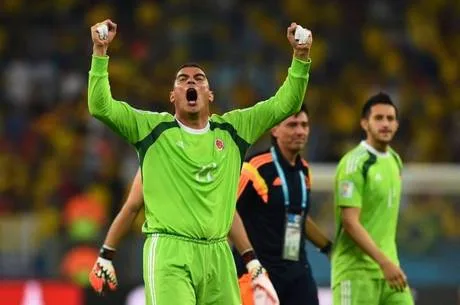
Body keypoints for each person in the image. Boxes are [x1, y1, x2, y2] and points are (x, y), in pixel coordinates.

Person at [87, 18, 313, 305]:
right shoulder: (151, 129)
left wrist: (301, 57)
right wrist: (100, 52)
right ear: (173, 96)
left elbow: (286, 103)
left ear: (209, 95)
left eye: (199, 79)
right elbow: (100, 106)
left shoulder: (234, 130)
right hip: (170, 253)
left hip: (218, 255)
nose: (191, 81)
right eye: (182, 79)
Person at [89, 169, 278, 304]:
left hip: (215, 262)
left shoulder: (216, 149)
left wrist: (252, 261)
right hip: (171, 257)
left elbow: (227, 209)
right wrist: (105, 256)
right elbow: (131, 208)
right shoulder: (157, 151)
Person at [234, 105, 333, 305]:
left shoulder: (303, 171)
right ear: (274, 129)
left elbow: (298, 217)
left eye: (304, 125)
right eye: (292, 125)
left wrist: (329, 249)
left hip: (296, 272)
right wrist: (249, 258)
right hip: (260, 273)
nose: (300, 131)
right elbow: (227, 210)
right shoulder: (255, 167)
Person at [331, 92, 414, 305]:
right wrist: (384, 262)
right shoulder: (354, 164)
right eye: (378, 118)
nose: (385, 124)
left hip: (390, 269)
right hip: (356, 273)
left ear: (396, 124)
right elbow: (350, 223)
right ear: (364, 123)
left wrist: (388, 263)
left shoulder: (395, 160)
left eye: (390, 118)